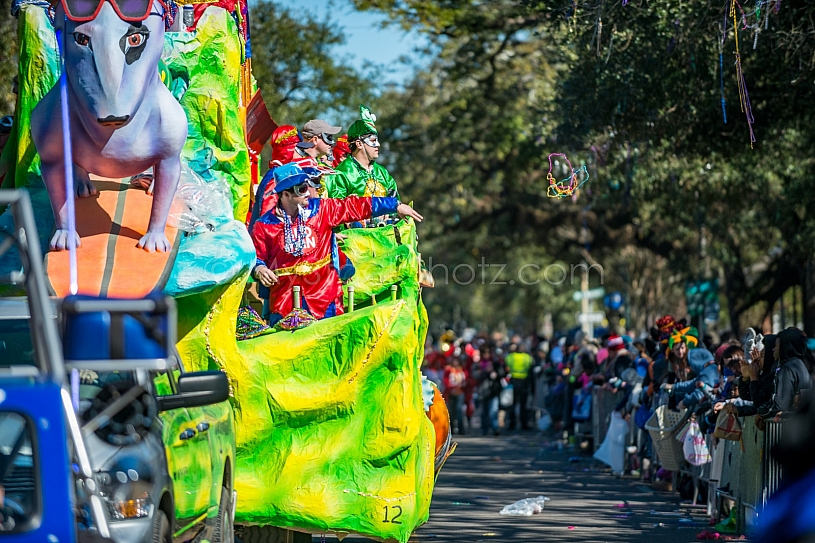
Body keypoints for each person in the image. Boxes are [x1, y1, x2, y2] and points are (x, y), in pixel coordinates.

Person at [251, 163, 423, 325]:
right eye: (302, 189)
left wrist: (394, 205)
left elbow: (354, 206)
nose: (308, 192)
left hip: (324, 299)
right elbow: (256, 257)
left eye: (308, 185)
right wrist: (259, 269)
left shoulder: (323, 210)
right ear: (286, 195)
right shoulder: (265, 225)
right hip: (285, 303)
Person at [325, 105, 399, 200]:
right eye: (373, 141)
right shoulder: (341, 173)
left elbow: (396, 203)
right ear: (359, 144)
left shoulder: (382, 172)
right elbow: (337, 209)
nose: (378, 145)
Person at [757, 327, 813, 418]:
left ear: (784, 347)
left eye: (776, 346)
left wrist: (761, 412)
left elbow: (780, 405)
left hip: (789, 428)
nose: (773, 350)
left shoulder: (787, 369)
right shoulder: (800, 365)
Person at [505, 342, 534, 431]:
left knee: (512, 404)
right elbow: (530, 368)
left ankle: (512, 423)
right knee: (523, 404)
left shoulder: (510, 357)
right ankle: (523, 424)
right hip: (524, 382)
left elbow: (506, 365)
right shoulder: (527, 358)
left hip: (513, 381)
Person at [444, 357, 467, 435]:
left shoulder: (462, 370)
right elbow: (446, 380)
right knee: (451, 412)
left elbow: (466, 380)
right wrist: (450, 388)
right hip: (451, 393)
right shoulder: (449, 370)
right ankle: (452, 429)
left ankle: (461, 429)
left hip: (460, 393)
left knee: (459, 410)